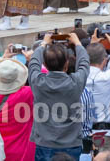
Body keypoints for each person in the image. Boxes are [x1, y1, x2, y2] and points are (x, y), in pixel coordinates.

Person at [29, 31, 90, 160]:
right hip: (71, 144)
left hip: (44, 143)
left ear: (44, 65)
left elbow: (33, 63)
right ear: (67, 65)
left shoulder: (38, 82)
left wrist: (44, 44)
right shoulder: (75, 83)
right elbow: (84, 63)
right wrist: (78, 43)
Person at [0, 49, 35, 161]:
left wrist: (2, 59)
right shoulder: (27, 93)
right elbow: (46, 77)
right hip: (21, 152)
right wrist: (32, 60)